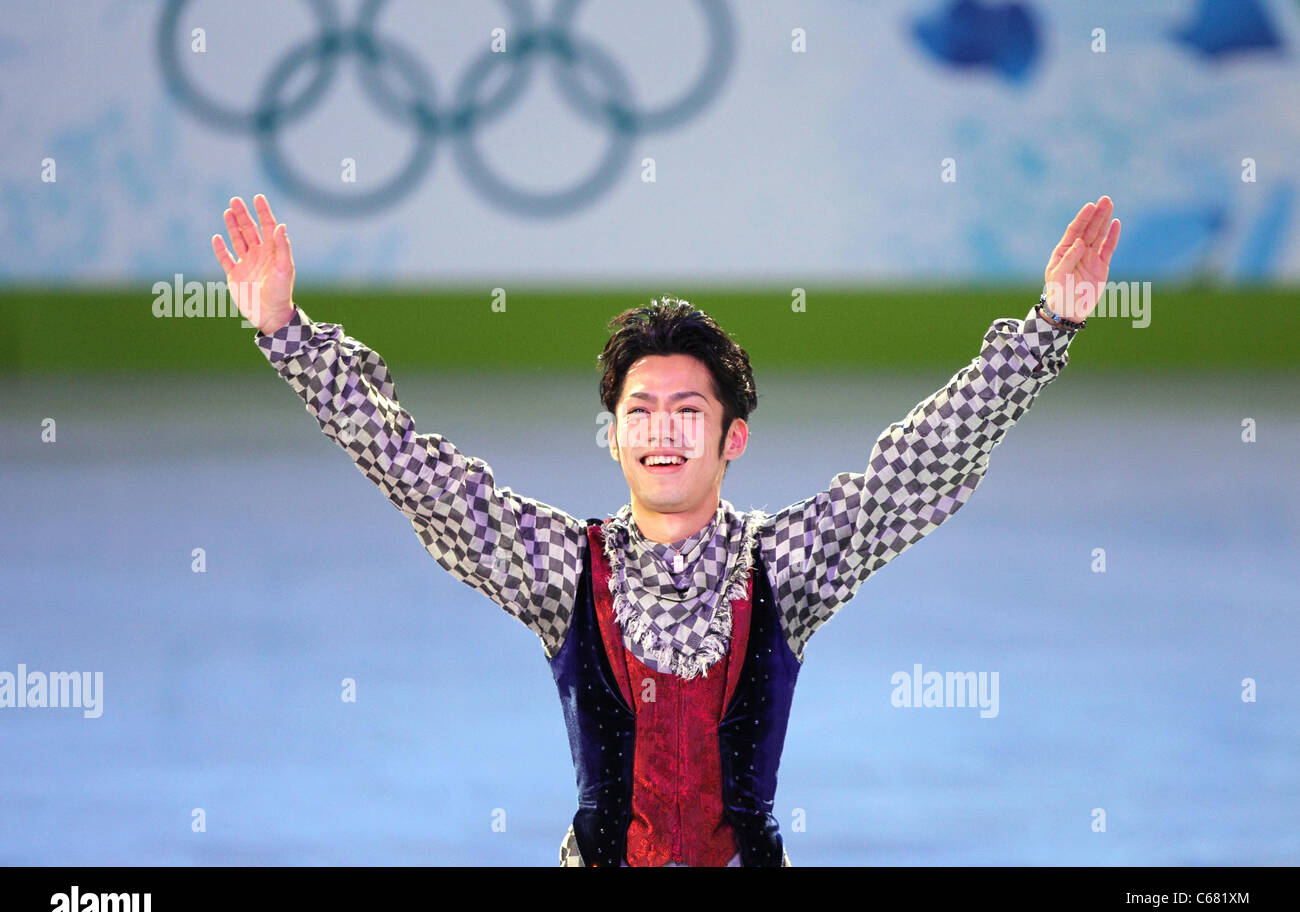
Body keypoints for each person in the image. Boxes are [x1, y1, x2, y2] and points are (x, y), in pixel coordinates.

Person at [212, 193, 1121, 866]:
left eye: (690, 409)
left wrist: (1048, 329)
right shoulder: (559, 567)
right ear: (612, 437)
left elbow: (919, 462)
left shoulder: (789, 564)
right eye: (641, 409)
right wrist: (287, 333)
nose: (663, 429)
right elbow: (412, 469)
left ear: (735, 438)